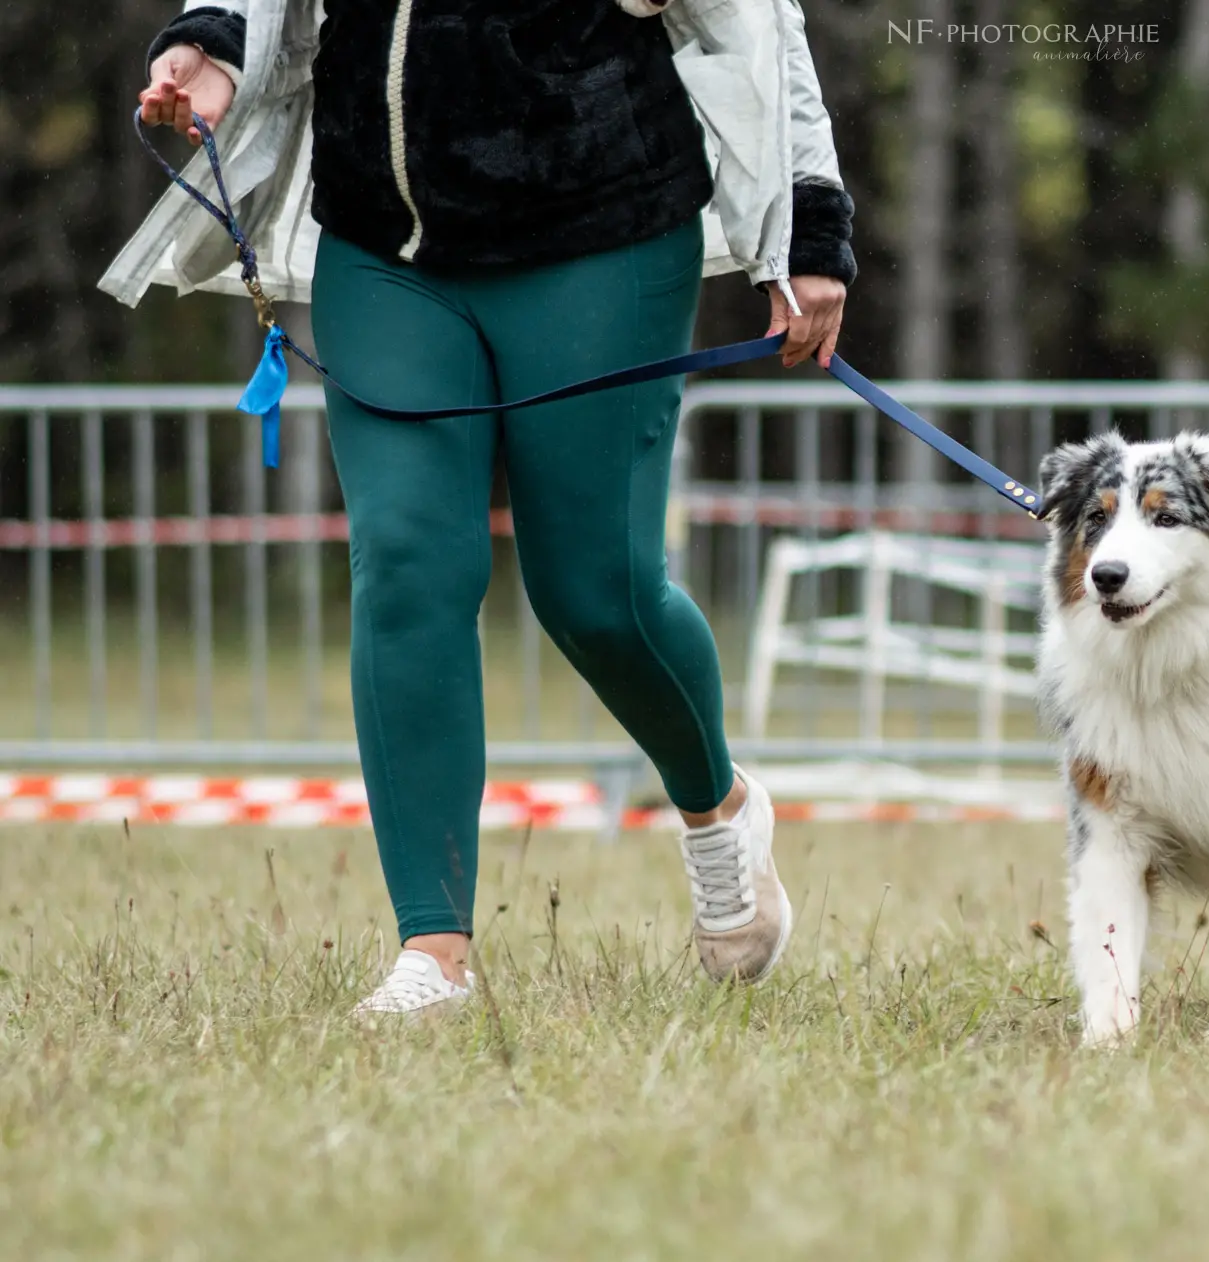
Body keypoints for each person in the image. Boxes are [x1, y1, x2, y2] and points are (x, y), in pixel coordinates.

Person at [101, 0, 860, 1016]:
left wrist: (810, 221)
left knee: (598, 593)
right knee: (407, 563)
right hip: (384, 247)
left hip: (605, 235)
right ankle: (435, 950)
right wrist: (210, 48)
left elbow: (759, 25)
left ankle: (719, 808)